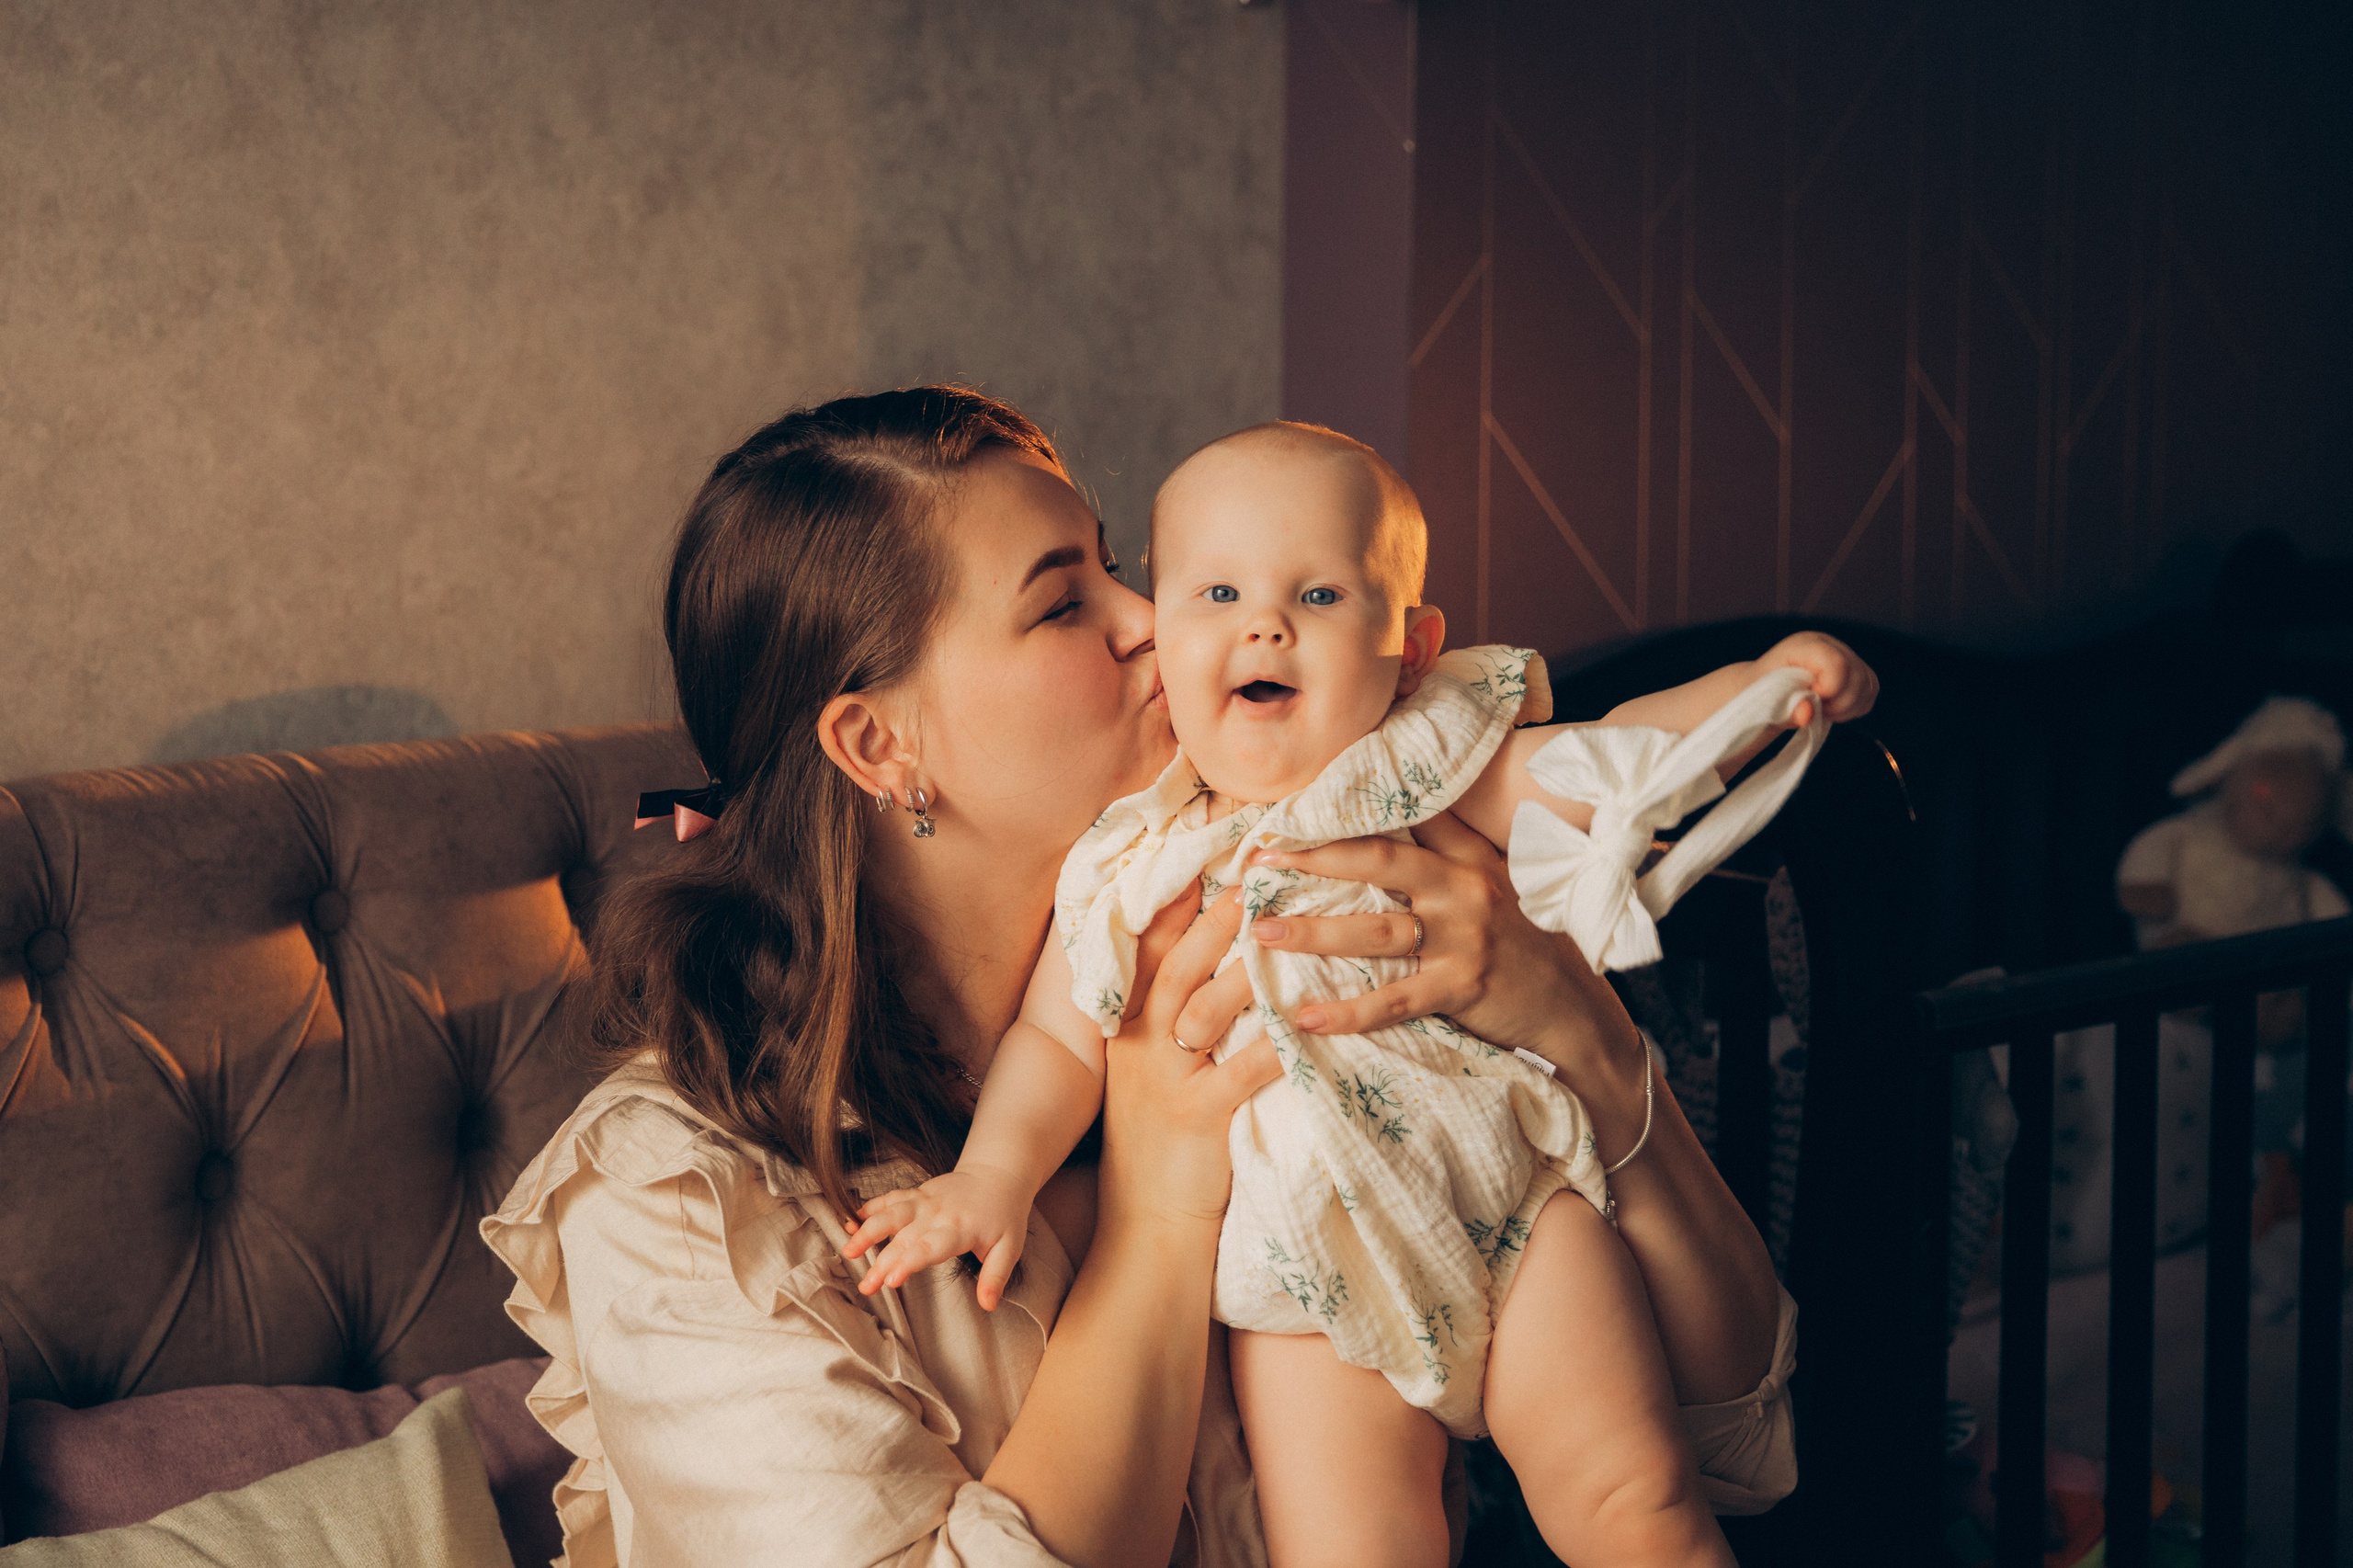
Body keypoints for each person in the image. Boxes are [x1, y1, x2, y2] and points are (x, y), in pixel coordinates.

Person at [483, 389, 1807, 1568]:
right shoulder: (674, 1200)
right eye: (1065, 601)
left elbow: (1735, 1444)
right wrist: (1159, 1216)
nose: (1152, 618)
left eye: (1122, 569)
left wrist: (1579, 1031)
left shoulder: (1326, 897)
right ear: (881, 744)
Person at [842, 422, 1871, 1566]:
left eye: (1320, 594)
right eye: (1217, 592)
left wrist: (1756, 691)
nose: (1264, 626)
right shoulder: (1130, 853)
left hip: (1504, 1198)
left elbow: (1610, 760)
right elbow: (1056, 1040)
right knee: (1354, 1545)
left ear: (1412, 647)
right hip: (1302, 1272)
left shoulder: (1421, 760)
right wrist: (990, 1176)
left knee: (1634, 1497)